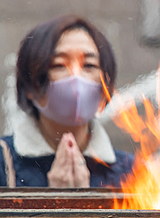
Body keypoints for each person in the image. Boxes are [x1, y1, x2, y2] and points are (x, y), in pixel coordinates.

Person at [0, 15, 134, 188]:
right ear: (30, 86)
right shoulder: (4, 162)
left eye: (89, 65)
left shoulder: (131, 172)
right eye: (59, 65)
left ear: (106, 87)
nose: (75, 77)